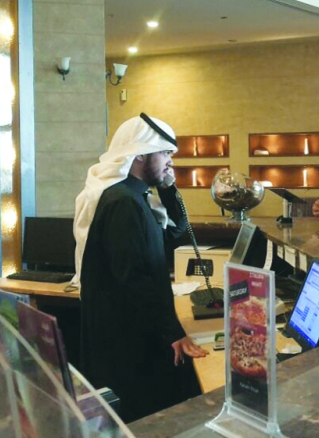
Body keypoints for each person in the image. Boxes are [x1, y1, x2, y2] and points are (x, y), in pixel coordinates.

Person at [72, 113, 208, 423]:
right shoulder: (123, 202)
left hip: (134, 333)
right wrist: (173, 332)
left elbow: (174, 233)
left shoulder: (136, 196)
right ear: (140, 155)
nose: (170, 162)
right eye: (165, 153)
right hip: (126, 344)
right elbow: (133, 277)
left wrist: (169, 189)